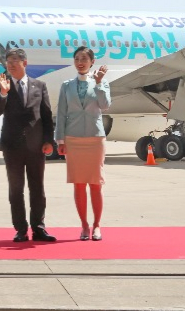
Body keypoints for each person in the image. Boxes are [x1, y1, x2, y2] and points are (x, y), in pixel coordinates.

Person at [0, 48, 56, 243]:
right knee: (16, 190)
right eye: (8, 62)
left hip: (36, 147)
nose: (10, 65)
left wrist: (48, 141)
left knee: (37, 189)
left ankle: (39, 228)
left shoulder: (39, 86)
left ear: (25, 63)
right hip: (12, 147)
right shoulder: (3, 85)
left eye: (14, 61)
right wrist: (3, 93)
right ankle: (20, 229)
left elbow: (45, 115)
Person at [56, 46, 110, 241]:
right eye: (77, 58)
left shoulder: (101, 83)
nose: (80, 62)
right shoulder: (66, 85)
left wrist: (99, 83)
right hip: (74, 138)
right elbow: (61, 113)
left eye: (84, 59)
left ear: (92, 62)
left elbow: (105, 105)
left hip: (95, 139)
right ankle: (84, 226)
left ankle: (97, 225)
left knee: (96, 184)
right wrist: (60, 140)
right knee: (78, 185)